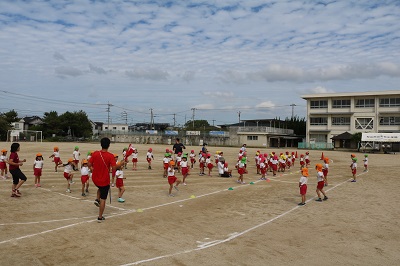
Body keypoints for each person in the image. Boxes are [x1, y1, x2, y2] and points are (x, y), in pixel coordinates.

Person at [88, 137, 117, 222]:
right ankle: (100, 217)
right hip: (104, 180)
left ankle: (97, 199)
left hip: (95, 178)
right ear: (109, 145)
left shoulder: (95, 153)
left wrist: (93, 169)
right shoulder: (110, 156)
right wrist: (112, 176)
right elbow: (114, 168)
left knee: (100, 188)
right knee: (103, 199)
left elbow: (89, 164)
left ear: (101, 144)